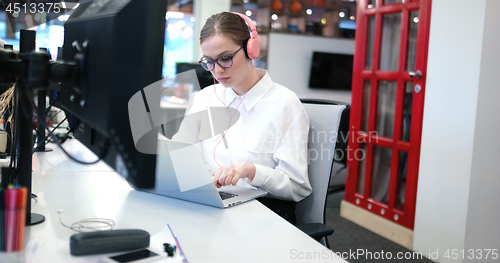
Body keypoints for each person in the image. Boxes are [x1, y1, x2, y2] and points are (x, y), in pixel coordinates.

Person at [171, 12, 311, 224]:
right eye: (209, 62)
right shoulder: (205, 98)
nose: (216, 70)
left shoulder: (284, 104)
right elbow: (182, 154)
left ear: (251, 49)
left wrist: (252, 171)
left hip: (264, 214)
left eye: (225, 58)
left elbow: (297, 187)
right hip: (211, 207)